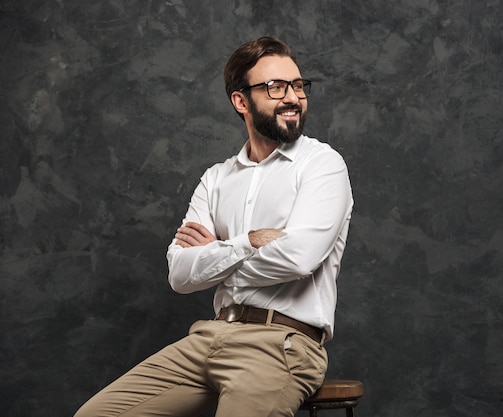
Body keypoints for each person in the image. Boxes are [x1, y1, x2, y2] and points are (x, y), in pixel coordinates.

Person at [74, 36, 353, 417]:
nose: (293, 97)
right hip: (210, 336)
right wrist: (249, 242)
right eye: (275, 87)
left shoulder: (322, 165)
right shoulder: (217, 179)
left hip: (281, 345)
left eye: (298, 85)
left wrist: (216, 255)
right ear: (241, 101)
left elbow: (298, 259)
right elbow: (180, 273)